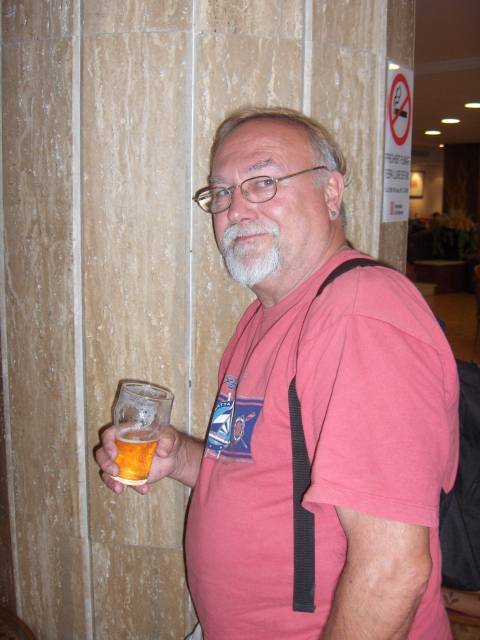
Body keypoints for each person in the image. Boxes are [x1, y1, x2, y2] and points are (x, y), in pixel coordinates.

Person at [95, 107, 459, 639]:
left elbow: (392, 570)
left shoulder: (360, 315)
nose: (236, 209)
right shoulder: (266, 314)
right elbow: (262, 465)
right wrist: (180, 457)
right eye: (221, 192)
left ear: (331, 193)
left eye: (263, 182)